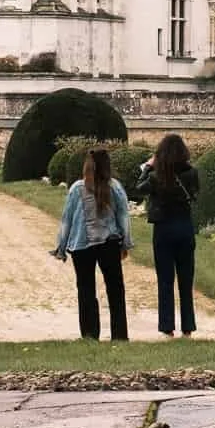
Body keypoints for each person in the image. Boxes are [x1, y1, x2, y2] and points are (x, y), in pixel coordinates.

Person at [52, 145, 132, 341]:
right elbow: (123, 217)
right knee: (115, 290)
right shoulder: (115, 187)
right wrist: (125, 243)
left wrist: (61, 247)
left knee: (86, 290)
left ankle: (89, 334)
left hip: (81, 245)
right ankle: (119, 335)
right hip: (109, 243)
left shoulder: (77, 188)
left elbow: (67, 219)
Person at [136, 133, 201, 339]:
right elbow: (195, 193)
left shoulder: (157, 176)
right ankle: (188, 327)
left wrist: (147, 167)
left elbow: (139, 188)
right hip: (184, 227)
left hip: (163, 228)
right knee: (186, 280)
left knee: (165, 280)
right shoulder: (192, 173)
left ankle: (167, 327)